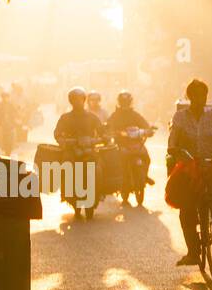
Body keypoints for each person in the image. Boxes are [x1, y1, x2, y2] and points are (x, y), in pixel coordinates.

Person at [167, 78, 212, 267]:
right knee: (186, 208)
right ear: (190, 97)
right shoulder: (180, 117)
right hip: (188, 165)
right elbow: (174, 137)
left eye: (203, 95)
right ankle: (193, 252)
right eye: (195, 95)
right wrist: (173, 148)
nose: (200, 98)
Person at [54, 87, 107, 219]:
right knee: (66, 166)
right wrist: (63, 140)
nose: (77, 102)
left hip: (89, 151)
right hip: (71, 151)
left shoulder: (92, 117)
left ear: (84, 100)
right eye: (74, 100)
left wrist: (103, 138)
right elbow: (57, 133)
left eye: (79, 99)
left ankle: (99, 192)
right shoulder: (65, 117)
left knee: (100, 168)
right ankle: (66, 193)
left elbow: (103, 133)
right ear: (70, 101)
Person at [108, 91, 153, 205]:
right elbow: (108, 127)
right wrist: (112, 132)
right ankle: (122, 182)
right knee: (119, 162)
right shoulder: (115, 115)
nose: (125, 104)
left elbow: (145, 125)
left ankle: (144, 176)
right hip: (121, 145)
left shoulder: (135, 115)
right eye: (123, 102)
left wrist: (148, 130)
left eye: (127, 102)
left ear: (130, 102)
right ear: (119, 102)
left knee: (146, 158)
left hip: (137, 144)